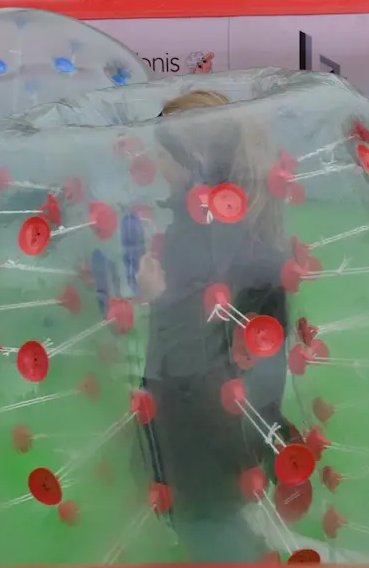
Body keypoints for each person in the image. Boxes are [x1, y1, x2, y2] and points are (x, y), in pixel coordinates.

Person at [134, 90, 293, 563]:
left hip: (196, 413)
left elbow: (193, 340)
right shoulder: (247, 224)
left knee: (204, 525)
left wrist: (156, 295)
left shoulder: (198, 234)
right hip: (236, 413)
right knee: (219, 522)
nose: (158, 165)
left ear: (194, 159)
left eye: (164, 154)